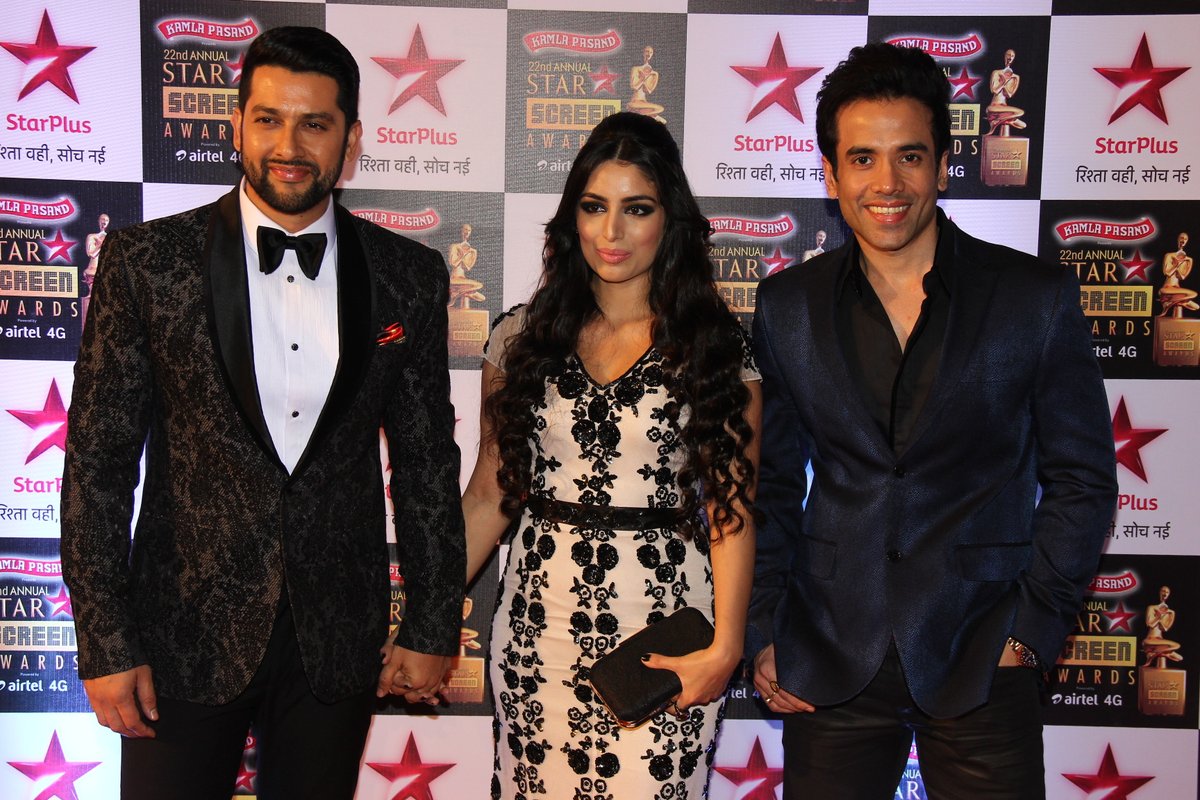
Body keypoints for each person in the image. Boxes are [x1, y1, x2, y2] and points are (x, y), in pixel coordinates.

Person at [61, 26, 465, 800]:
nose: (289, 146)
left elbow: (425, 463)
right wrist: (105, 638)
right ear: (237, 126)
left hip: (335, 640)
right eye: (270, 119)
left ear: (351, 141)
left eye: (315, 124)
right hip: (180, 633)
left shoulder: (408, 275)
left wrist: (432, 619)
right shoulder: (147, 262)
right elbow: (99, 462)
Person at [748, 43, 1117, 799]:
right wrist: (764, 629)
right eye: (862, 158)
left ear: (944, 165)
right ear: (831, 175)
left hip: (982, 651)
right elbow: (769, 485)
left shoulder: (1032, 298)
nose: (887, 183)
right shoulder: (787, 307)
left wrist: (1030, 632)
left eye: (909, 156)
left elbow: (1083, 479)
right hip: (830, 653)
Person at [461, 111, 760, 799]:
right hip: (538, 630)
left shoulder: (714, 347)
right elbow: (488, 493)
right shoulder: (520, 339)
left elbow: (732, 508)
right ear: (572, 217)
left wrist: (727, 647)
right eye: (594, 207)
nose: (612, 232)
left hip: (666, 634)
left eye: (637, 209)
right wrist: (422, 617)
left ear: (670, 218)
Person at [80, 212, 108, 328]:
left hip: (105, 272)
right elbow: (90, 253)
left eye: (106, 220)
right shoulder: (92, 237)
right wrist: (101, 244)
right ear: (98, 221)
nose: (104, 222)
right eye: (102, 220)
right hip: (92, 271)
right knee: (91, 297)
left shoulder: (111, 237)